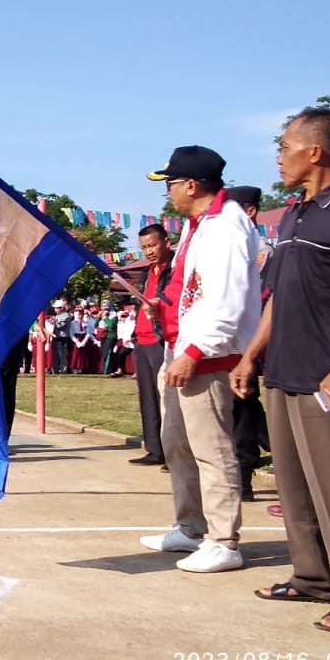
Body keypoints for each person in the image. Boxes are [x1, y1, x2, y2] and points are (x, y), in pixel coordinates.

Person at [231, 108, 330, 632]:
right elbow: (278, 294)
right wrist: (253, 353)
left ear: (315, 151)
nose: (278, 157)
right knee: (294, 484)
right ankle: (312, 578)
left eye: (284, 147)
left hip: (327, 371)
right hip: (282, 368)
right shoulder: (296, 212)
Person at [139, 145, 260, 574]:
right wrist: (163, 307)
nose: (168, 192)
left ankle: (224, 539)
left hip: (207, 354)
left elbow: (226, 300)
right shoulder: (198, 225)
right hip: (180, 345)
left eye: (170, 183)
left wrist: (193, 352)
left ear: (191, 184)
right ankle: (190, 525)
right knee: (178, 443)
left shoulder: (226, 227)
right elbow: (188, 287)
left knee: (212, 447)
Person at [225, 185, 273, 501]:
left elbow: (262, 298)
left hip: (245, 342)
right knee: (241, 410)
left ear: (250, 211)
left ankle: (243, 478)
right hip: (222, 341)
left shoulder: (261, 250)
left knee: (242, 408)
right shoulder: (227, 245)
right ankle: (275, 445)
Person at [129, 224, 175, 468]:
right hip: (142, 340)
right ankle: (154, 449)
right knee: (147, 398)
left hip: (161, 340)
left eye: (152, 245)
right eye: (144, 247)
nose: (148, 251)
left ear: (166, 243)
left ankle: (172, 451)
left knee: (166, 399)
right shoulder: (147, 272)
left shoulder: (175, 269)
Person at [109, 306, 136, 378]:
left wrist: (133, 338)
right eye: (123, 316)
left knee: (136, 356)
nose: (124, 318)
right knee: (121, 354)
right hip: (127, 343)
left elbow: (135, 331)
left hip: (135, 342)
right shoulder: (122, 324)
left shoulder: (133, 322)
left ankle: (137, 372)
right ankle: (120, 370)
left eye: (125, 316)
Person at [50, 300, 72, 374]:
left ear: (61, 308)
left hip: (62, 338)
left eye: (56, 308)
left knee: (62, 355)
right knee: (55, 355)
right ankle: (55, 370)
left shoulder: (66, 316)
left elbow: (60, 325)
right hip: (56, 337)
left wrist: (53, 322)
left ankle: (63, 370)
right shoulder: (57, 316)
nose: (55, 309)